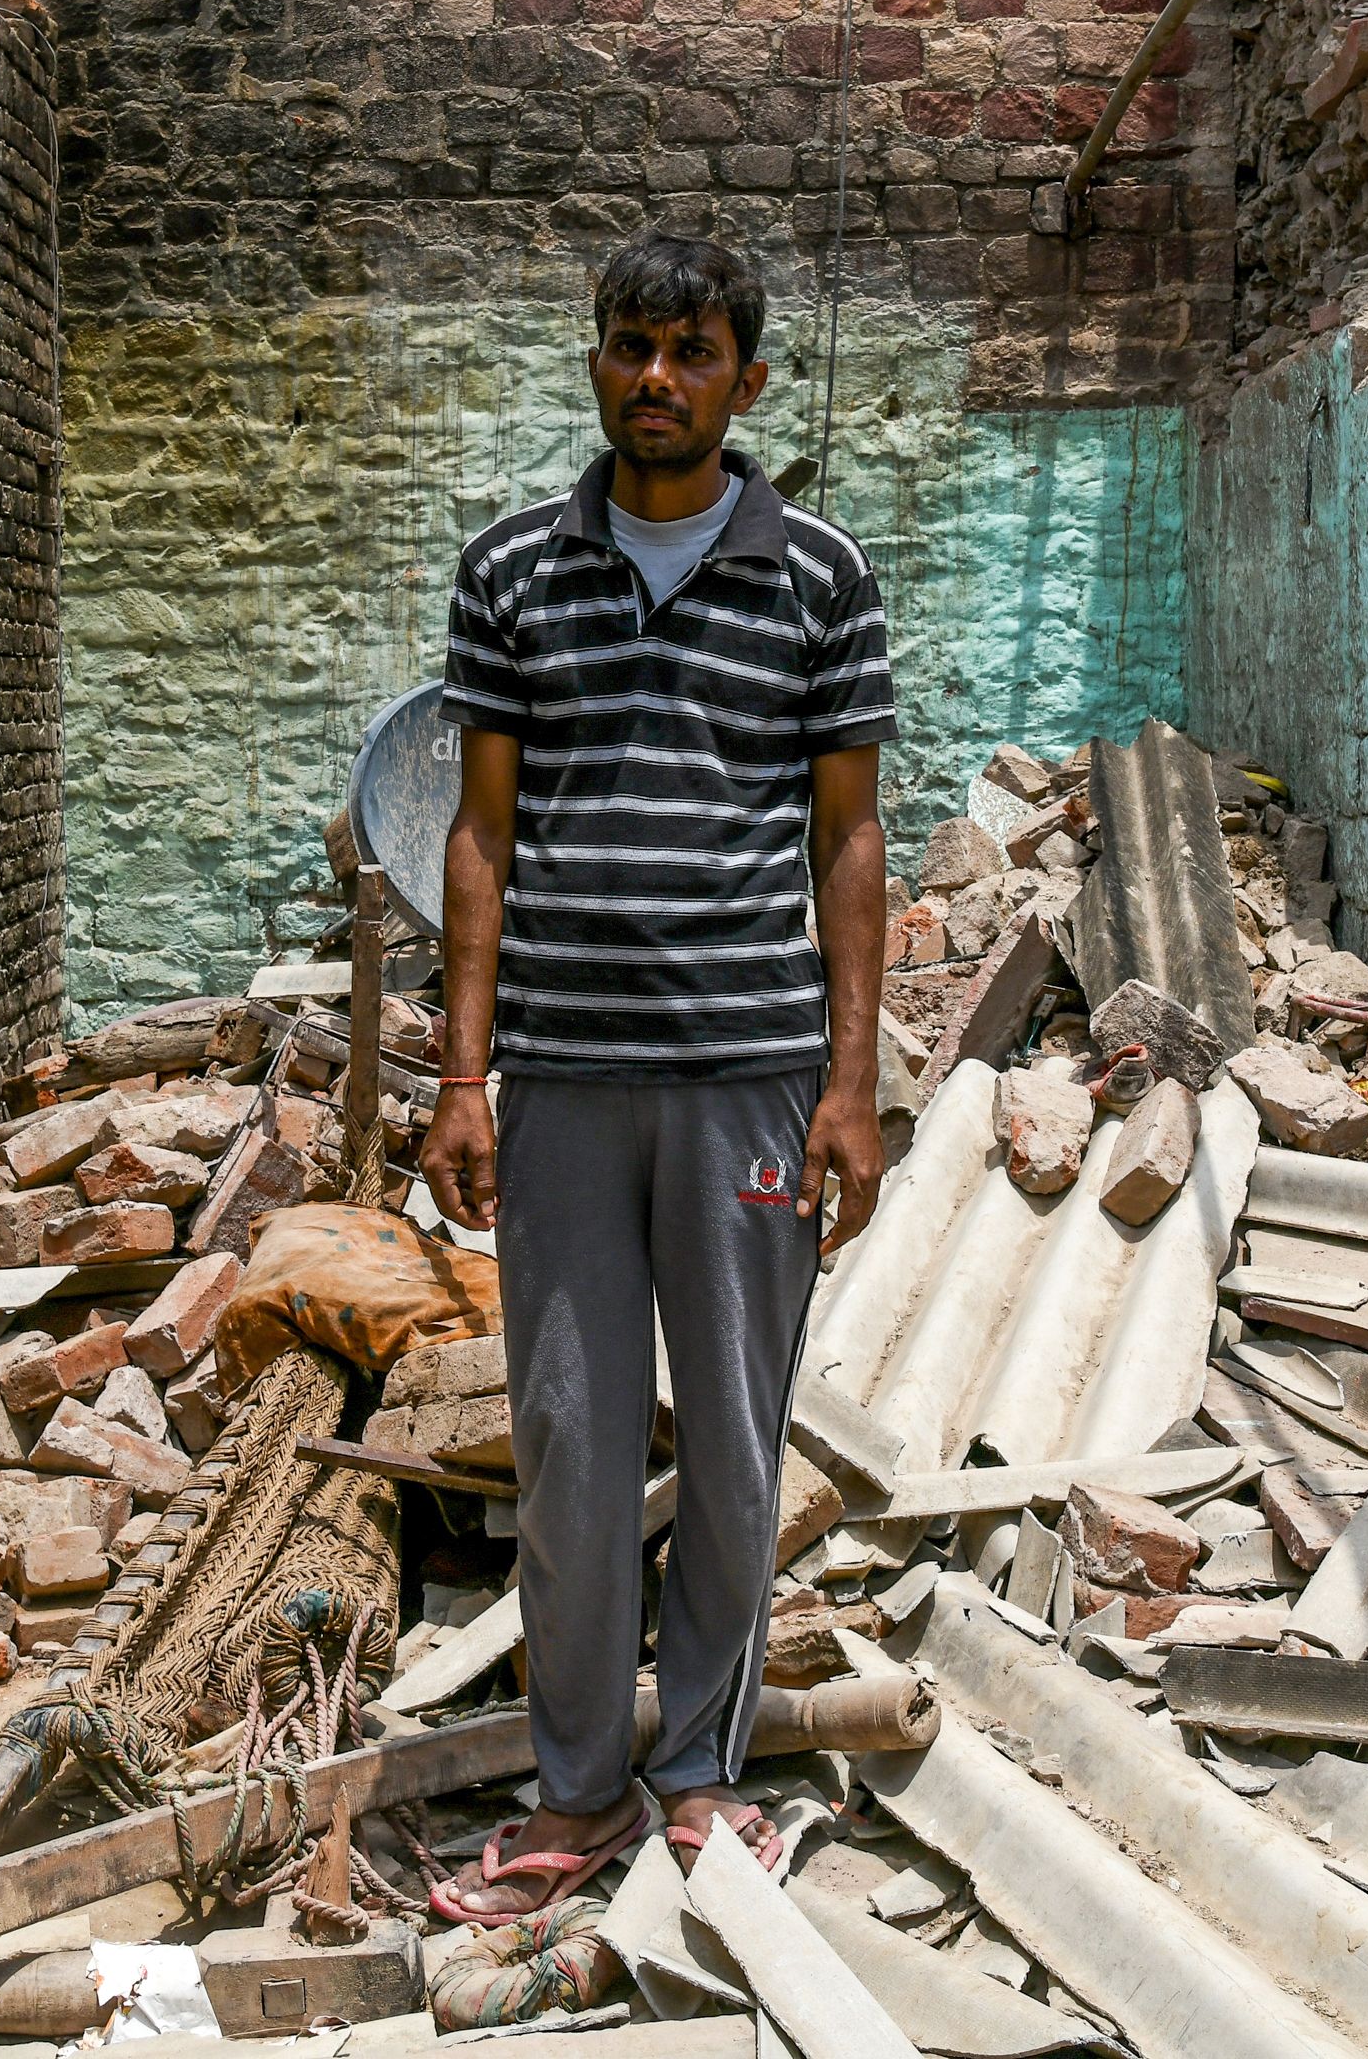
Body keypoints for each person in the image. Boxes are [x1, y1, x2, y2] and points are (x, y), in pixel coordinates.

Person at [417, 232, 894, 1921]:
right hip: (556, 1077)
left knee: (741, 1444)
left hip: (750, 1076)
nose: (657, 379)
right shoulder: (511, 573)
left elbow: (849, 845)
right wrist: (461, 1075)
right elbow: (482, 832)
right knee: (567, 1438)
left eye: (692, 352)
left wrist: (854, 1081)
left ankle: (697, 1773)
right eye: (631, 347)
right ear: (597, 363)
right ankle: (578, 1789)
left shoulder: (820, 577)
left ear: (745, 381)